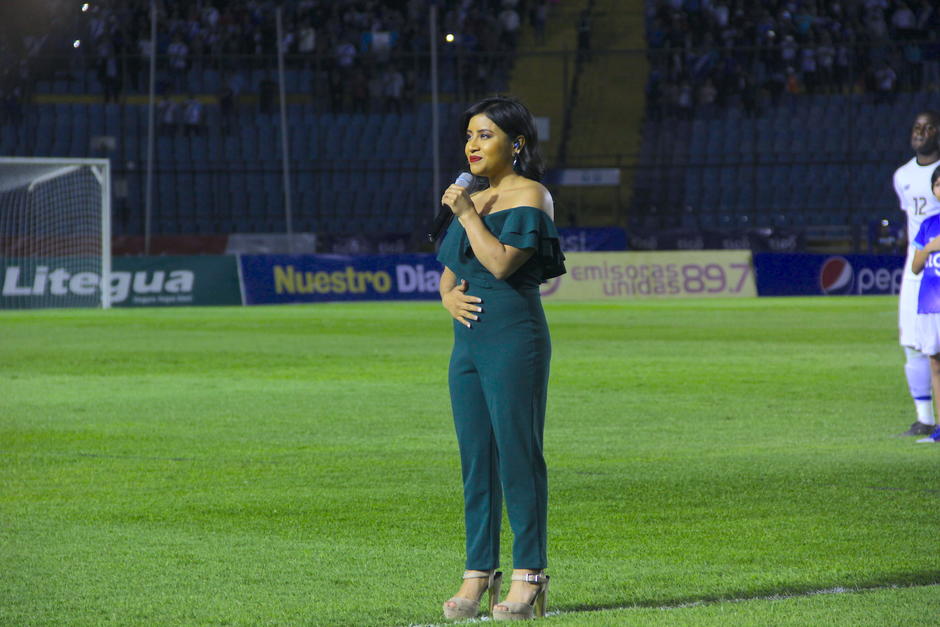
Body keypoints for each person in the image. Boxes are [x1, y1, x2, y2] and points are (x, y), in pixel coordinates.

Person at [436, 95, 565, 622]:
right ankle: (477, 571)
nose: (472, 144)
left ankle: (529, 576)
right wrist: (447, 296)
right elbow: (449, 272)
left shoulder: (530, 195)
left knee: (518, 455)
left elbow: (502, 264)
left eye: (485, 135)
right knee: (476, 461)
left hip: (515, 337)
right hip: (467, 342)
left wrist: (466, 213)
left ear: (516, 143)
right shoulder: (478, 197)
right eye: (469, 135)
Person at [894, 110, 940, 436]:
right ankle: (925, 418)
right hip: (916, 268)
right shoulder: (902, 176)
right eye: (916, 127)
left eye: (928, 127)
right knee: (912, 343)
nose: (921, 132)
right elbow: (909, 220)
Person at [907, 164, 940, 443]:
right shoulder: (928, 224)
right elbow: (916, 267)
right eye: (938, 184)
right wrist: (930, 247)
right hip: (930, 303)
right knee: (935, 365)